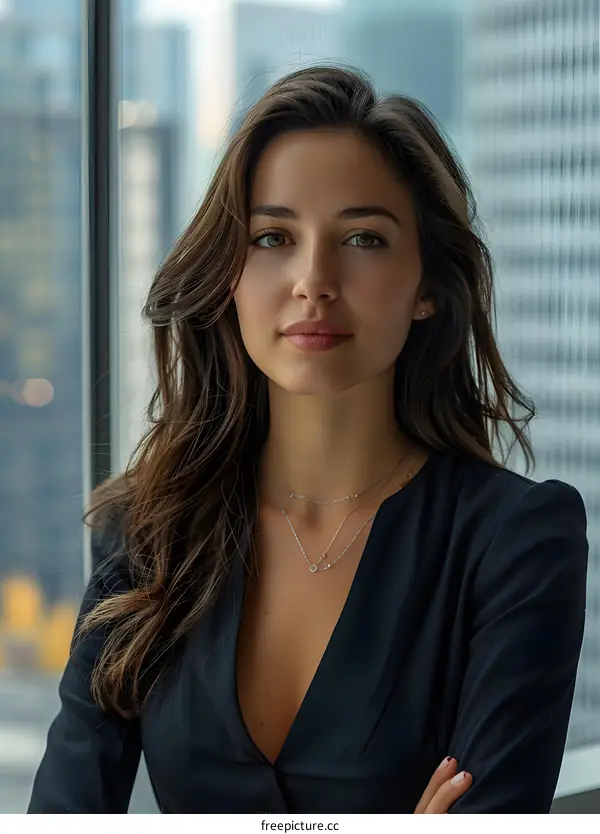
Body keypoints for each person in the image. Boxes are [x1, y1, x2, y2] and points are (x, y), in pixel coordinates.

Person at [28, 65, 588, 814]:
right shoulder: (146, 531)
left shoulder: (517, 540)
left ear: (427, 285)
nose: (313, 280)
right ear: (227, 275)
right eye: (272, 237)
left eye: (363, 238)